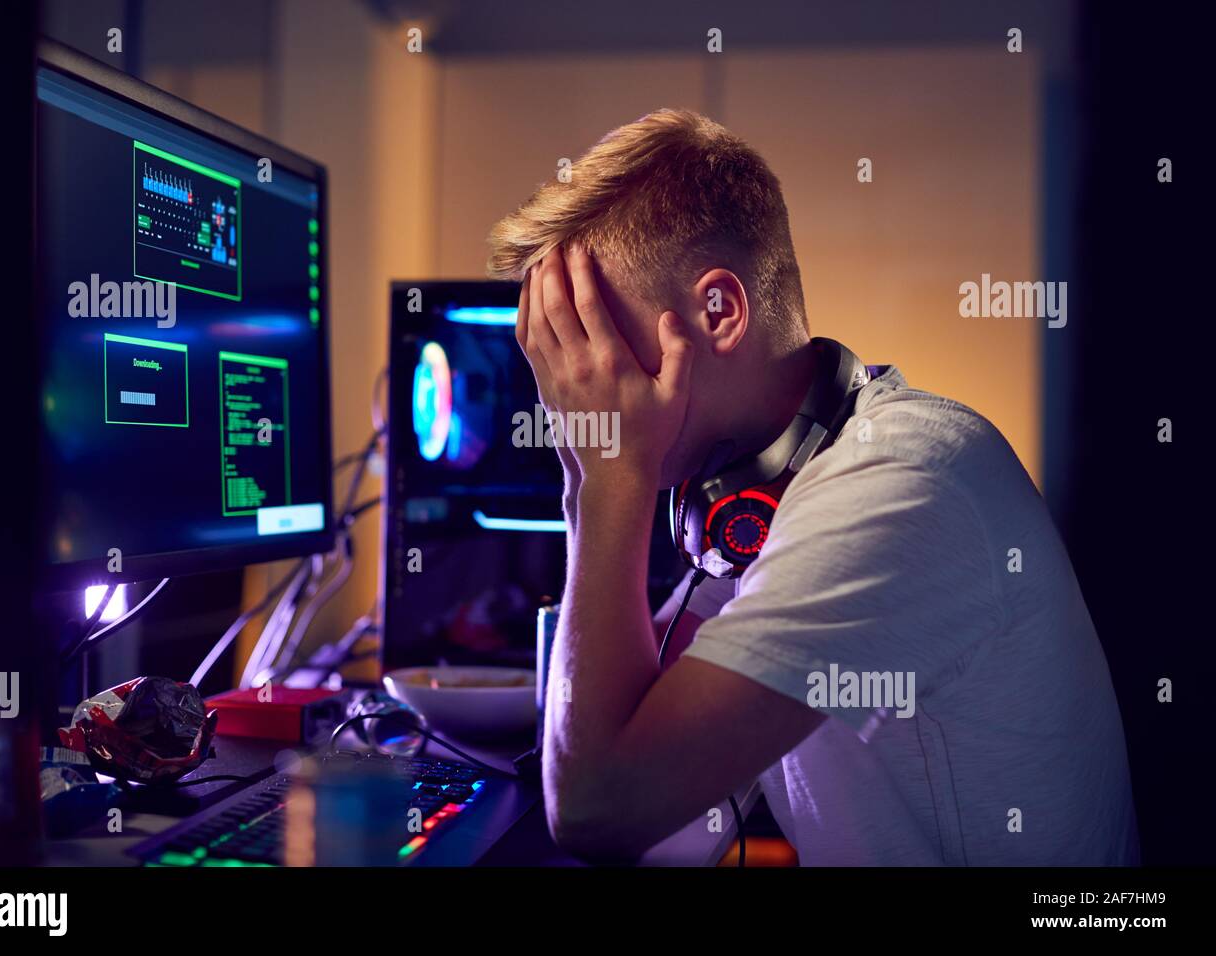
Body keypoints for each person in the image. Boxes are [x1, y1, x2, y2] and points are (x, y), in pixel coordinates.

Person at [486, 109, 1138, 865]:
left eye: (589, 341)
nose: (569, 388)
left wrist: (599, 481)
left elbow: (600, 807)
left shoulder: (901, 483)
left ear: (718, 313)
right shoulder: (755, 492)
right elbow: (661, 805)